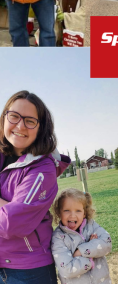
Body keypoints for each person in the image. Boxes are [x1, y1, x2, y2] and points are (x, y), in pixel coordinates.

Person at [0, 91, 70, 283]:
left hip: (27, 271)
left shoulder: (43, 168)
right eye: (14, 116)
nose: (20, 125)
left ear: (41, 128)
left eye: (30, 120)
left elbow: (11, 223)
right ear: (4, 118)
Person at [52, 188, 112, 284]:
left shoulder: (91, 225)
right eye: (67, 210)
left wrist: (80, 252)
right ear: (59, 212)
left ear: (84, 213)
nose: (73, 215)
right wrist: (90, 255)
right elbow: (67, 270)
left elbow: (107, 243)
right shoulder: (58, 237)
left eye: (78, 211)